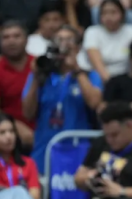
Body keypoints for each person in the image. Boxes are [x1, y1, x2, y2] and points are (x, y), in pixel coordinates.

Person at [21, 25, 103, 171]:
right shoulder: (42, 76)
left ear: (78, 48)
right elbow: (27, 113)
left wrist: (76, 69)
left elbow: (94, 103)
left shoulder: (89, 75)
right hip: (45, 147)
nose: (63, 44)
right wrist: (36, 77)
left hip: (77, 149)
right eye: (59, 40)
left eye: (69, 40)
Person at [0, 21, 35, 148]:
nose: (11, 41)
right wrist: (15, 128)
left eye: (16, 36)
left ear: (27, 40)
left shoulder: (40, 65)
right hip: (12, 135)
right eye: (6, 37)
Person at [79, 0, 132, 82]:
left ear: (122, 14)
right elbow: (97, 64)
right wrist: (111, 85)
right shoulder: (92, 32)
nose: (108, 17)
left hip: (126, 78)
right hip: (97, 77)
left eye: (113, 12)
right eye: (104, 13)